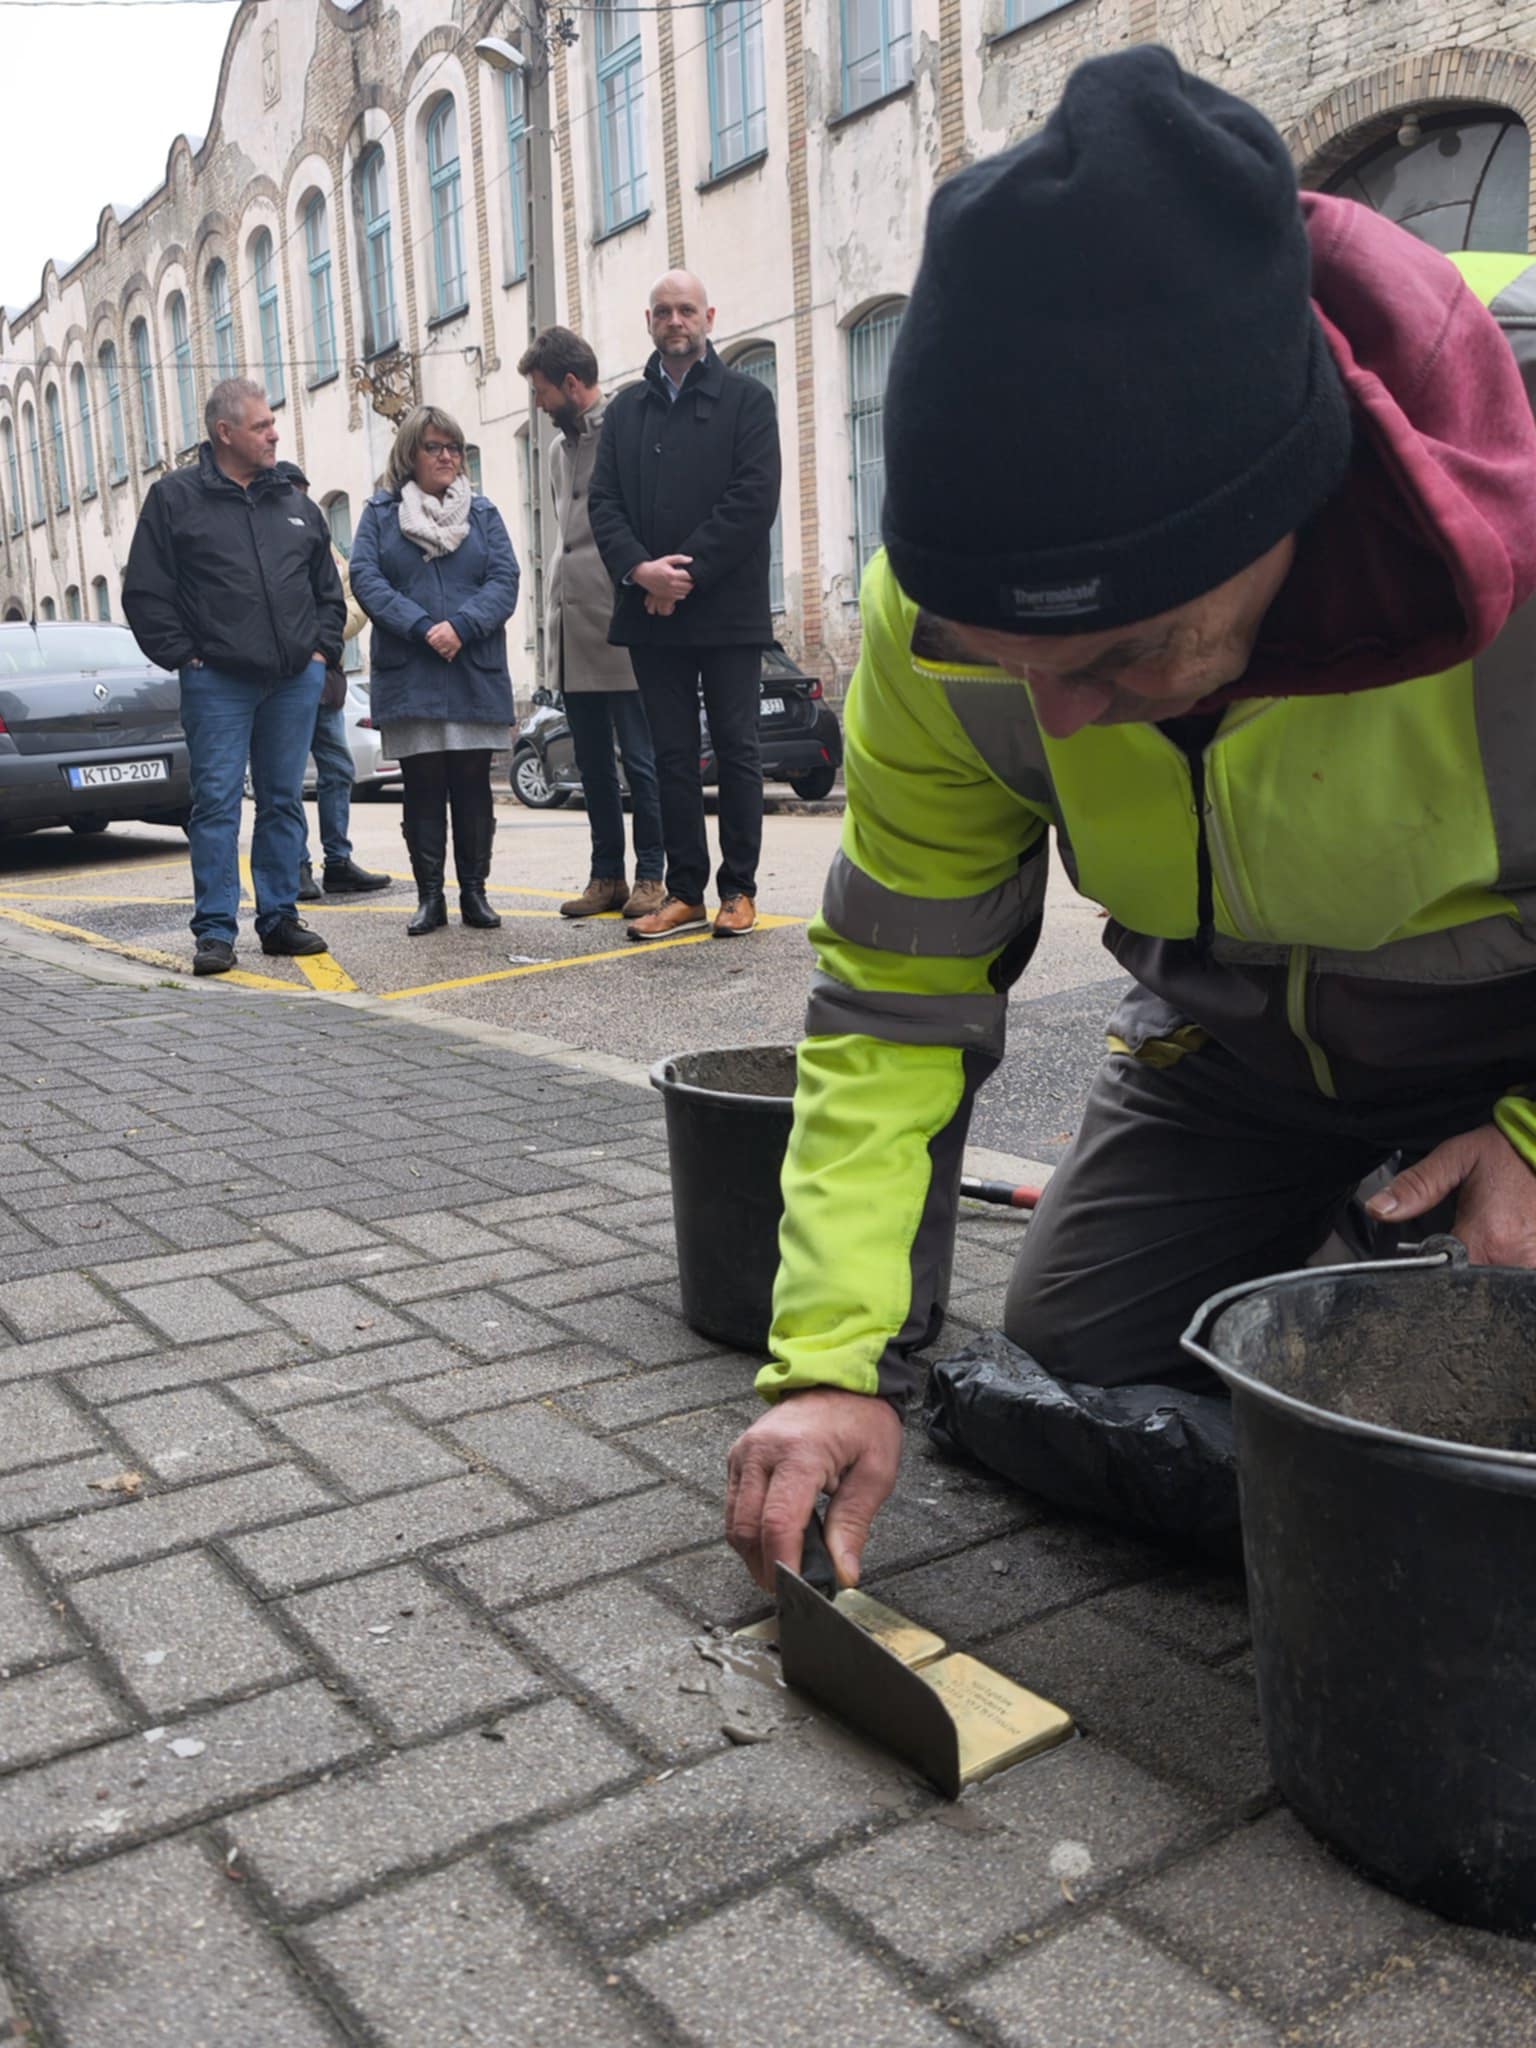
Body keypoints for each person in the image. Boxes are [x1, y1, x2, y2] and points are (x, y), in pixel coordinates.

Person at [725, 46, 1536, 1592]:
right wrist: (831, 1363)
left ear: (1290, 504)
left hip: (1512, 1034)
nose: (1065, 721)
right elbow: (898, 994)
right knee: (1078, 1355)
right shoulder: (929, 628)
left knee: (1444, 1396)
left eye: (1121, 657)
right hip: (1235, 1050)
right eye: (1011, 665)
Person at [122, 378, 341, 977]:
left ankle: (280, 919)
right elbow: (145, 591)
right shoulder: (174, 499)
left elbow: (327, 590)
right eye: (261, 425)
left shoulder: (295, 503)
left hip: (292, 681)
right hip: (217, 681)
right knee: (217, 804)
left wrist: (320, 653)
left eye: (272, 423)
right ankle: (216, 931)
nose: (274, 434)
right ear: (225, 432)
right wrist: (185, 655)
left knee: (282, 801)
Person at [588, 270, 781, 941]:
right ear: (649, 321)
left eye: (687, 310)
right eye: (664, 311)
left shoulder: (748, 400)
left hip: (727, 610)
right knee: (671, 755)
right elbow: (604, 504)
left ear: (709, 317)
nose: (676, 321)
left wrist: (682, 576)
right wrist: (642, 572)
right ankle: (685, 892)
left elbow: (753, 499)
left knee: (737, 748)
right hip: (651, 610)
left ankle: (739, 890)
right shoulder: (625, 412)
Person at [348, 406, 520, 936]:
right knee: (422, 785)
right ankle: (430, 898)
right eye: (434, 447)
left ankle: (475, 893)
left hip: (472, 669)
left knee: (472, 783)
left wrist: (462, 626)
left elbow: (505, 579)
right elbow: (366, 578)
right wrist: (423, 627)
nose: (447, 456)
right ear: (410, 454)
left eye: (454, 447)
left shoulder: (483, 513)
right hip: (412, 671)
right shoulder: (380, 514)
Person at [518, 326, 666, 922]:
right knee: (592, 764)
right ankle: (606, 876)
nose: (538, 403)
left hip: (622, 623)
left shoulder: (627, 430)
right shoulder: (557, 452)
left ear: (571, 383)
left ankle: (651, 876)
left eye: (542, 390)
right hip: (571, 626)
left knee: (642, 760)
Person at [268, 462, 391, 903]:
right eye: (293, 493)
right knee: (286, 778)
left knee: (337, 769)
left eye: (304, 493)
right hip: (282, 679)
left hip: (326, 677)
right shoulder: (265, 536)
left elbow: (350, 597)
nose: (300, 502)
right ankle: (297, 865)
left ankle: (337, 861)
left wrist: (325, 636)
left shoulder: (322, 540)